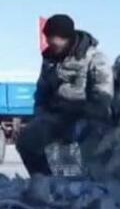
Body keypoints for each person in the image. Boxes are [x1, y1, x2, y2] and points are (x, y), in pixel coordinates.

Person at [18, 14, 113, 178]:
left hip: (88, 118)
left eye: (53, 39)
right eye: (47, 39)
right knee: (27, 140)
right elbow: (41, 93)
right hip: (57, 117)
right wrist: (40, 117)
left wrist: (81, 110)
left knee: (87, 147)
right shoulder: (50, 61)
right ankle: (45, 180)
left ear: (66, 37)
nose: (49, 43)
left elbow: (103, 98)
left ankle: (92, 183)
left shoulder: (95, 59)